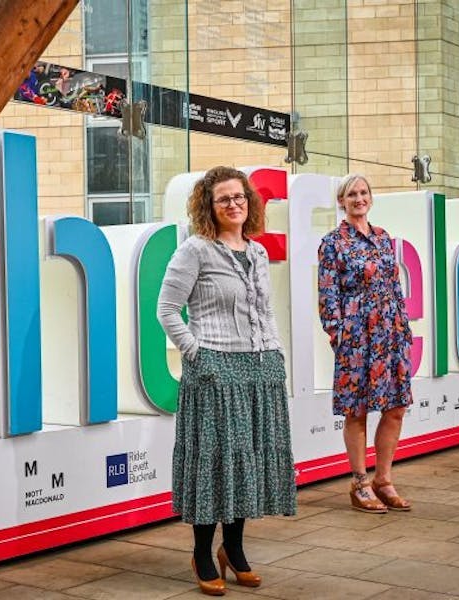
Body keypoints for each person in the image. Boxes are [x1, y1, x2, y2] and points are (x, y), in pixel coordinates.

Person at [157, 166, 297, 595]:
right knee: (214, 462)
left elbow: (264, 310)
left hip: (259, 368)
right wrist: (199, 354)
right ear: (208, 206)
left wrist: (274, 351)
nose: (234, 204)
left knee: (248, 461)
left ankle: (233, 550)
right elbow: (166, 310)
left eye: (239, 197)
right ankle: (203, 553)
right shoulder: (195, 250)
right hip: (215, 369)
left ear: (249, 202)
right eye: (224, 199)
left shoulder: (255, 252)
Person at [317, 173, 413, 514]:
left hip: (390, 332)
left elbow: (395, 286)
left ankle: (383, 480)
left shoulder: (384, 238)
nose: (359, 198)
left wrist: (403, 328)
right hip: (357, 336)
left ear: (370, 198)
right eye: (351, 194)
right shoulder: (333, 242)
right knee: (356, 411)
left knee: (396, 407)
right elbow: (327, 295)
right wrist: (337, 334)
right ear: (342, 201)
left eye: (364, 192)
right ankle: (359, 483)